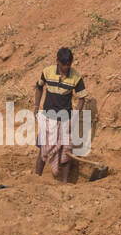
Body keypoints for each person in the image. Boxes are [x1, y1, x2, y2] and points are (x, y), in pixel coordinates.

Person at [33, 47, 87, 183]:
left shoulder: (76, 77)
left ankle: (64, 183)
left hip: (65, 119)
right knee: (43, 150)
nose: (66, 67)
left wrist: (74, 119)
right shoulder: (47, 72)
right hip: (48, 117)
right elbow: (39, 87)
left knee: (66, 152)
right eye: (64, 64)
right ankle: (36, 179)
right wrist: (36, 106)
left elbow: (82, 98)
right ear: (57, 62)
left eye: (69, 64)